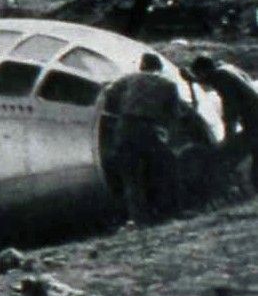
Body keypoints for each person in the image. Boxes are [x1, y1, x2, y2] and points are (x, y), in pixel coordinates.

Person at [102, 52, 182, 224]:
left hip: (124, 127)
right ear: (159, 68)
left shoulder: (128, 79)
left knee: (131, 176)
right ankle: (165, 213)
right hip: (149, 129)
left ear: (141, 66)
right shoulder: (168, 84)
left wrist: (119, 110)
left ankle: (139, 219)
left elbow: (108, 92)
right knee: (161, 171)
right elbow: (174, 114)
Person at [190, 55, 258, 187]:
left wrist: (229, 134)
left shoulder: (221, 79)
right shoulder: (224, 70)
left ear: (204, 70)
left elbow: (231, 107)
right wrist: (193, 80)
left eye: (199, 74)